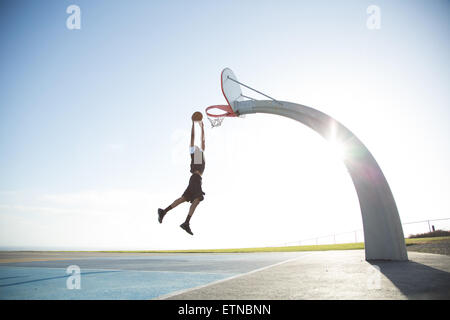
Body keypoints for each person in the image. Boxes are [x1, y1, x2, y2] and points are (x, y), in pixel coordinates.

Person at [158, 118, 205, 235]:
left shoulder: (200, 154)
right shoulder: (194, 153)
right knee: (198, 198)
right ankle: (186, 223)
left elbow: (203, 140)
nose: (199, 146)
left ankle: (164, 211)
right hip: (195, 179)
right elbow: (193, 137)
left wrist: (202, 127)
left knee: (183, 199)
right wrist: (194, 124)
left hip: (195, 180)